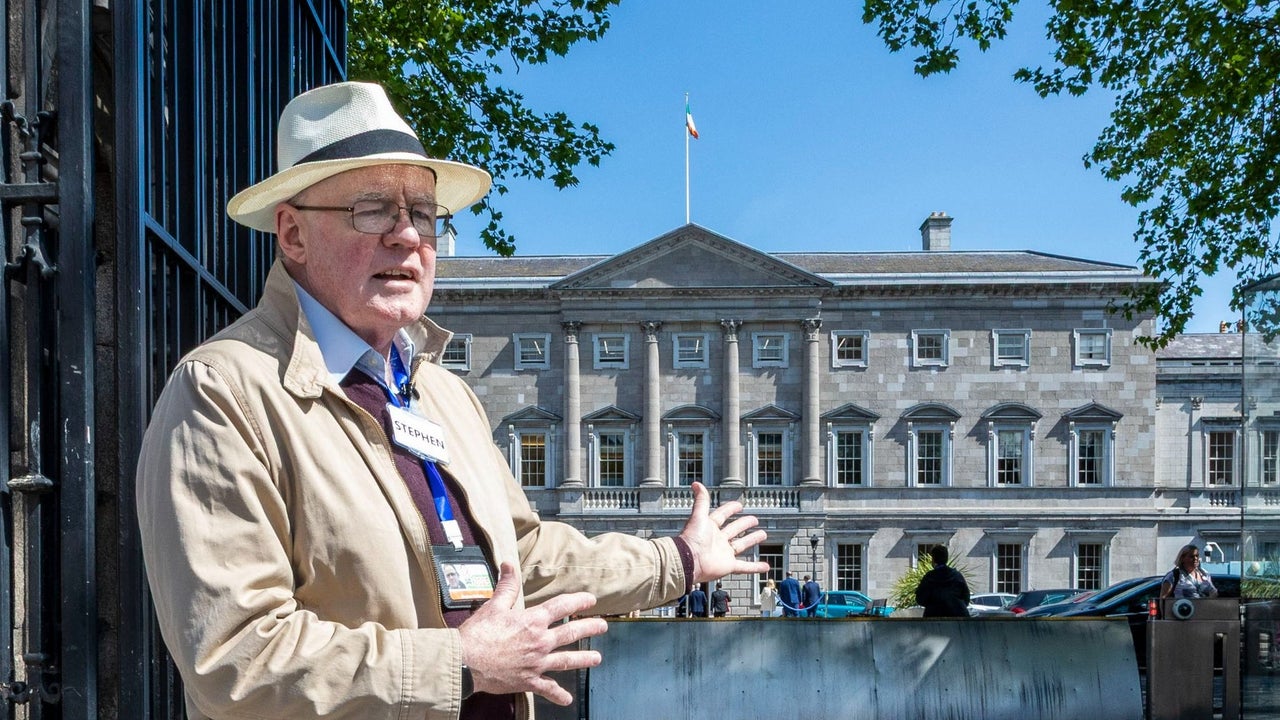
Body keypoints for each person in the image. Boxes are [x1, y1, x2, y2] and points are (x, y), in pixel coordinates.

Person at [134, 81, 769, 720]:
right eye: (372, 209)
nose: (408, 236)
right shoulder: (223, 391)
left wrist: (678, 560)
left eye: (423, 213)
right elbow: (234, 658)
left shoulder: (442, 392)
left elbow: (523, 558)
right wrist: (459, 664)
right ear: (293, 234)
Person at [915, 545, 972, 618]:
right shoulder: (957, 576)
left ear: (933, 559)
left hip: (934, 618)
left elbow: (920, 599)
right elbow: (966, 597)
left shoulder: (929, 577)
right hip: (958, 618)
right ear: (946, 558)